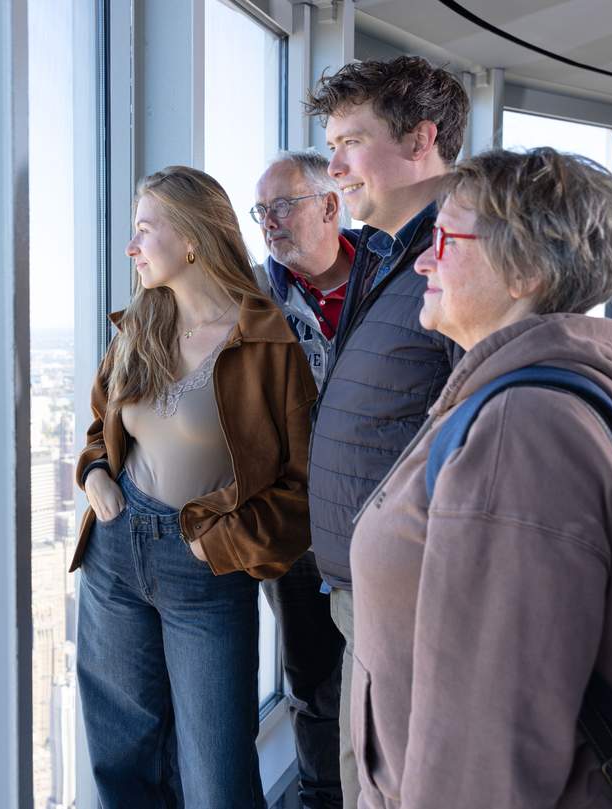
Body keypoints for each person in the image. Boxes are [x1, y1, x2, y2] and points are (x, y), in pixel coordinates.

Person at [347, 147, 612, 809]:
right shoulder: (556, 393)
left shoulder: (518, 434)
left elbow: (486, 753)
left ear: (523, 267)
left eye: (444, 238)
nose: (421, 260)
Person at [72, 165, 316, 809]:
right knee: (122, 761)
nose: (131, 247)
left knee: (216, 776)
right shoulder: (139, 329)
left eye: (143, 230)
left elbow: (302, 484)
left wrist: (221, 545)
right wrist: (95, 473)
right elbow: (103, 426)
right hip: (115, 556)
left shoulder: (267, 339)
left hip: (206, 569)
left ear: (190, 239)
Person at [302, 55, 467, 808]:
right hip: (367, 585)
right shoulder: (389, 249)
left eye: (349, 141)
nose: (332, 165)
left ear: (419, 138)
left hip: (414, 595)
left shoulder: (460, 258)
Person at [250, 150, 355, 809]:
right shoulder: (253, 302)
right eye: (261, 211)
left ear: (329, 205)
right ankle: (320, 795)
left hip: (388, 524)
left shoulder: (394, 283)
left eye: (282, 205)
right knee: (313, 682)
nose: (269, 222)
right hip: (296, 530)